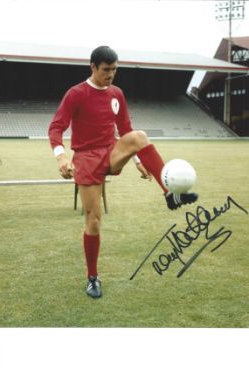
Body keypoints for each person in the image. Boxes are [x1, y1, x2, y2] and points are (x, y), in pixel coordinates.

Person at [48, 46, 198, 298]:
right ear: (93, 67)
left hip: (110, 152)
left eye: (115, 69)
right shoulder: (76, 94)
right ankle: (92, 278)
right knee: (93, 221)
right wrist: (61, 156)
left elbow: (125, 129)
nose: (111, 74)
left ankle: (170, 194)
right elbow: (56, 128)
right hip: (85, 157)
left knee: (139, 135)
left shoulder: (117, 93)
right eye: (106, 70)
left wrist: (138, 159)